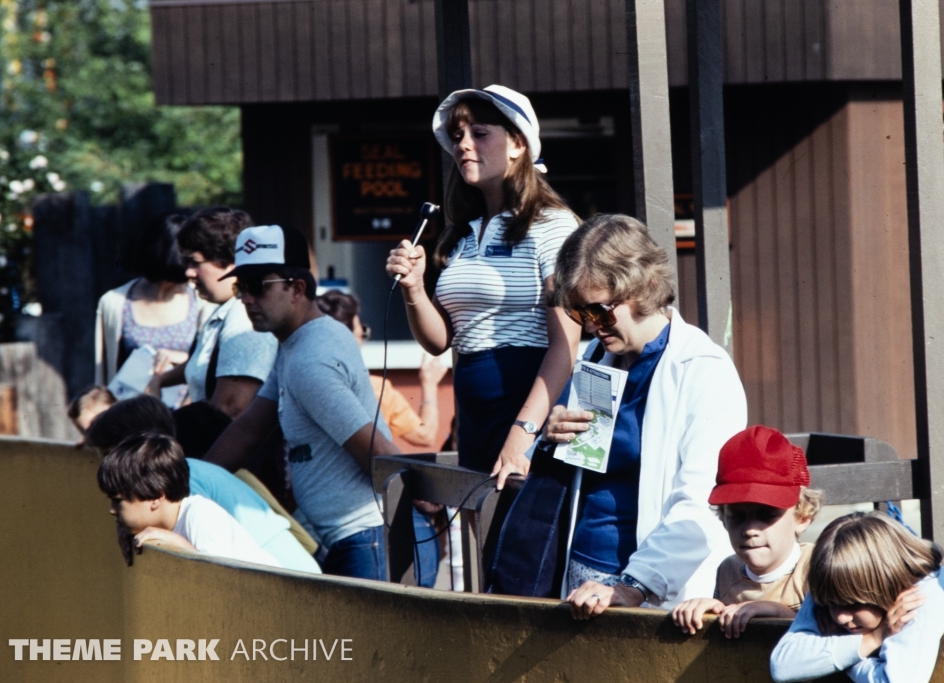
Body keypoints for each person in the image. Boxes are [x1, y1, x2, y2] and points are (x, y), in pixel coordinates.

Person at [488, 214, 747, 615]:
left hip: (650, 584)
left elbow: (699, 501)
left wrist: (635, 585)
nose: (591, 326)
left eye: (600, 311)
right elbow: (583, 472)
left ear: (641, 285)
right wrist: (550, 440)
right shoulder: (597, 358)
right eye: (580, 313)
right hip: (582, 570)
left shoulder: (703, 369)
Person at [385, 84, 581, 489]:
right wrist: (415, 289)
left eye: (479, 133)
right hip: (473, 416)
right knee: (485, 546)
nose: (463, 145)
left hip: (529, 412)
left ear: (518, 144)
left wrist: (521, 435)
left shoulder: (553, 225)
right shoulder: (464, 231)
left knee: (524, 546)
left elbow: (565, 346)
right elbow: (440, 341)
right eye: (457, 136)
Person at [203, 224, 399, 581]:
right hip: (352, 539)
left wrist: (419, 502)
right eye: (240, 287)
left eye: (259, 287)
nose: (247, 299)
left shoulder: (310, 360)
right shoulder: (297, 343)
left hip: (365, 540)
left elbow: (377, 453)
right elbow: (249, 429)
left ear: (297, 289)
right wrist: (189, 483)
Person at [85, 394, 321, 574]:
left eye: (109, 453)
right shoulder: (182, 472)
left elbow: (216, 570)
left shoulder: (188, 486)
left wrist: (174, 541)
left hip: (288, 573)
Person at [770, 511, 944, 683]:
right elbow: (783, 665)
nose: (840, 618)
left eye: (853, 605)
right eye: (831, 605)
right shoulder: (835, 585)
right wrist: (873, 639)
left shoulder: (921, 597)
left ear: (886, 585)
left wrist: (850, 659)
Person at [671, 426, 822, 638]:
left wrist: (780, 613)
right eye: (737, 516)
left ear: (803, 517)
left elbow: (834, 634)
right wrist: (709, 612)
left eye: (767, 515)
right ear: (723, 518)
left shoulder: (817, 568)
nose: (750, 530)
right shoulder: (728, 571)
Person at [148, 207, 277, 419]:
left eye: (195, 262)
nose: (188, 272)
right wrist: (161, 380)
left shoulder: (245, 316)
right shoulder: (225, 309)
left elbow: (232, 407)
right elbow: (205, 362)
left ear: (230, 262)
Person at [98, 432, 282, 568]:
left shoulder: (200, 514)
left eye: (118, 501)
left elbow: (222, 578)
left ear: (155, 496)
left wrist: (178, 544)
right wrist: (126, 529)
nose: (111, 510)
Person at [315, 289, 448, 448]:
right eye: (361, 334)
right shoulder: (377, 390)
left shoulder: (300, 380)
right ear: (348, 340)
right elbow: (425, 435)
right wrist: (429, 383)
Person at [94, 214, 215, 385]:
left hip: (188, 407)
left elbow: (213, 361)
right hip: (135, 406)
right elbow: (104, 372)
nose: (191, 271)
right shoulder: (115, 302)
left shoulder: (203, 301)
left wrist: (183, 359)